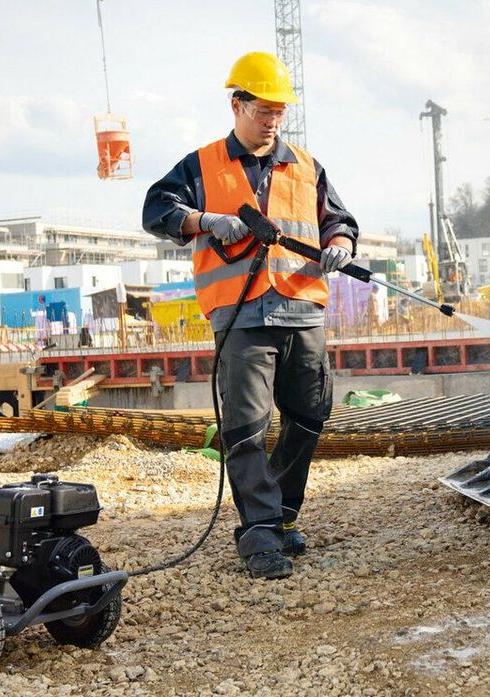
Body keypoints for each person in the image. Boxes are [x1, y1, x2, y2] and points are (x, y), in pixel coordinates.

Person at [141, 51, 358, 580]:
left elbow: (340, 220)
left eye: (279, 112)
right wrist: (204, 219)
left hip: (302, 310)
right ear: (237, 104)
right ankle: (259, 534)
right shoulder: (202, 163)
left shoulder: (307, 167)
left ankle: (281, 516)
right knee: (246, 426)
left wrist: (341, 244)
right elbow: (155, 209)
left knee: (308, 417)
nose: (273, 120)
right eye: (264, 110)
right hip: (242, 317)